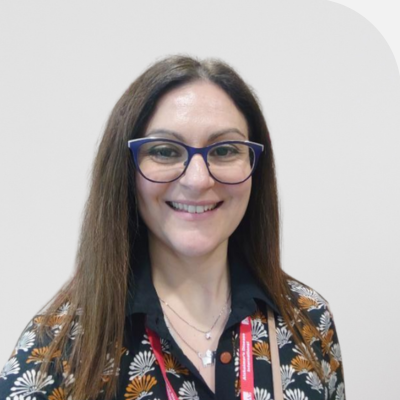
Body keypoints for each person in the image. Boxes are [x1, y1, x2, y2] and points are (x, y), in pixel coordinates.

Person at [0, 55, 345, 400]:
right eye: (165, 151)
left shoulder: (308, 320)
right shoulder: (56, 352)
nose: (198, 180)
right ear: (126, 170)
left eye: (225, 150)